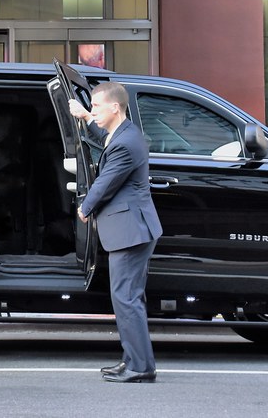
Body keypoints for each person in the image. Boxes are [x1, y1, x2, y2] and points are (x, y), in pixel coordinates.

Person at [69, 82, 163, 383]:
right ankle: (135, 360)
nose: (93, 111)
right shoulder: (124, 132)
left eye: (96, 107)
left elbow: (106, 181)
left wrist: (85, 208)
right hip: (133, 229)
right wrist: (85, 118)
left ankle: (140, 367)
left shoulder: (125, 143)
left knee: (125, 298)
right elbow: (105, 139)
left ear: (114, 108)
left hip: (131, 231)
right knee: (130, 297)